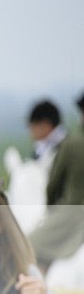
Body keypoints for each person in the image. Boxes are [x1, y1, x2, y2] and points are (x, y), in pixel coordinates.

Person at [28, 93, 84, 271]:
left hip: (74, 214)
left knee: (30, 245)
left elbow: (53, 186)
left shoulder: (73, 144)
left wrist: (52, 210)